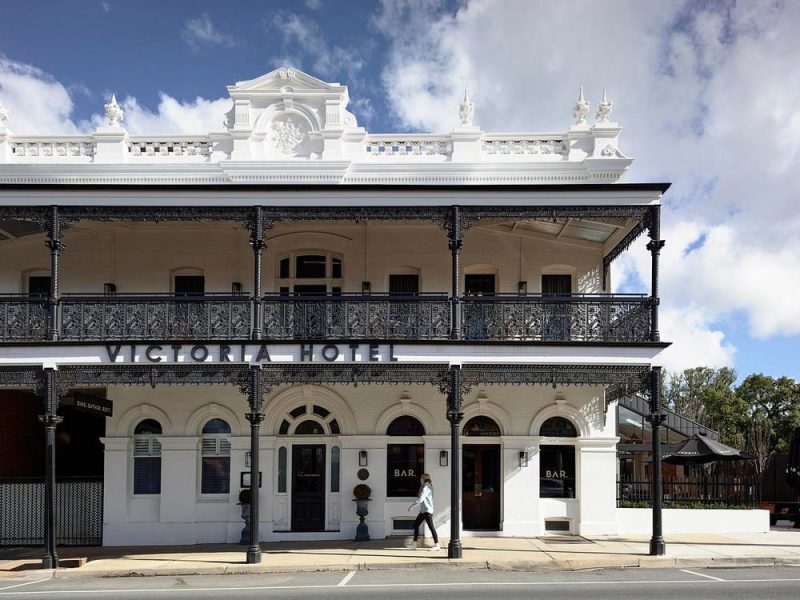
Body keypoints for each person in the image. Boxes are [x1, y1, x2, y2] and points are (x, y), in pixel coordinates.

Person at [405, 473, 440, 551]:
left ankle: (437, 545)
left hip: (427, 511)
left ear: (423, 479)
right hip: (424, 511)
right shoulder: (427, 485)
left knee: (431, 528)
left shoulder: (426, 486)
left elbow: (421, 499)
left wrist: (412, 506)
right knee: (416, 524)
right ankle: (414, 544)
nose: (420, 479)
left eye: (421, 478)